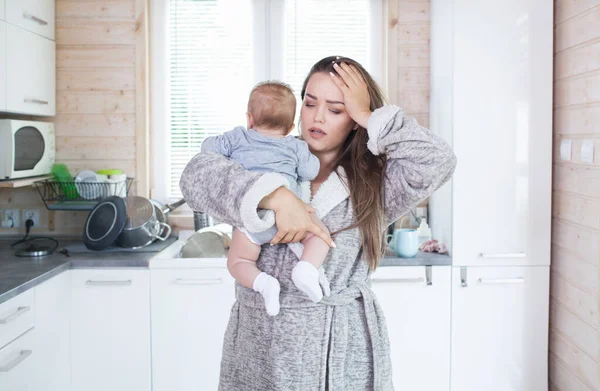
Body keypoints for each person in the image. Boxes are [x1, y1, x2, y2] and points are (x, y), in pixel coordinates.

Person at [180, 56, 457, 390]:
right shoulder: (259, 158)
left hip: (341, 350)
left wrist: (370, 116)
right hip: (261, 346)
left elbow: (438, 160)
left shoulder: (376, 184)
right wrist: (276, 196)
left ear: (354, 119)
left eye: (337, 109)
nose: (318, 117)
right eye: (310, 104)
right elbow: (195, 177)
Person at [201, 81, 334, 317]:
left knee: (238, 260)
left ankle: (264, 284)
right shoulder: (295, 145)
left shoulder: (238, 137)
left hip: (251, 217)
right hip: (292, 219)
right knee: (321, 236)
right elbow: (311, 172)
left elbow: (208, 149)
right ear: (292, 125)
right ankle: (306, 268)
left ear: (249, 119)